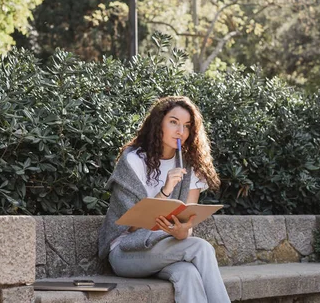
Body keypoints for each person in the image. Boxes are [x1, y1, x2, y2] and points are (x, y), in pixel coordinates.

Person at [97, 96, 231, 303]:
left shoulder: (190, 167)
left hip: (164, 249)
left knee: (188, 273)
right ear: (159, 123)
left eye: (186, 126)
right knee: (201, 247)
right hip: (125, 251)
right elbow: (130, 225)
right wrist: (166, 191)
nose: (180, 131)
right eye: (173, 122)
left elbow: (188, 226)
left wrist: (181, 231)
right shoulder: (134, 160)